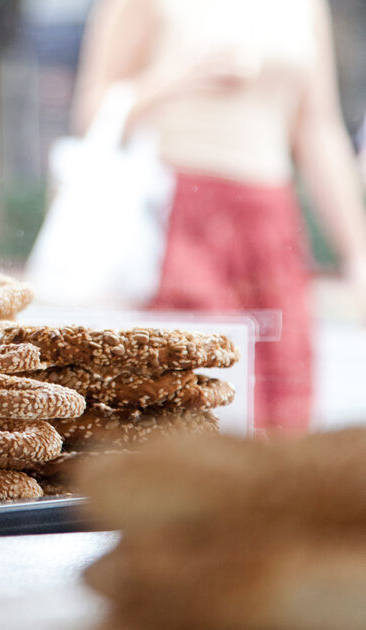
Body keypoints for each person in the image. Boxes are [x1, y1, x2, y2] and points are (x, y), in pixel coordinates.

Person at [74, 0, 366, 433]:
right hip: (179, 223)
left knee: (280, 411)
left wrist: (356, 253)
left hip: (271, 228)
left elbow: (318, 128)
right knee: (192, 407)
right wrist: (172, 80)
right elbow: (91, 112)